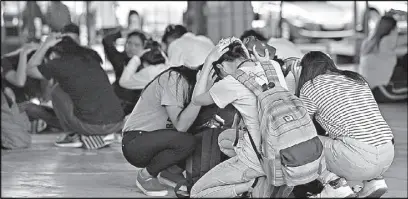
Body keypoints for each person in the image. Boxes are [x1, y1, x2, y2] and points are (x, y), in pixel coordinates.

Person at [297, 51, 394, 198]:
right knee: (353, 130)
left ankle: (334, 185)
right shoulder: (356, 79)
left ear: (305, 70)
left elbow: (302, 126)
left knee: (302, 142)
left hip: (359, 157)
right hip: (387, 152)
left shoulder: (310, 86)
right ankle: (374, 182)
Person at [190, 38, 268, 198]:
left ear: (221, 66)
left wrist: (208, 62)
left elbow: (196, 99)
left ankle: (251, 184)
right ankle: (257, 178)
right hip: (282, 148)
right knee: (225, 139)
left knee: (196, 193)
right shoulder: (270, 67)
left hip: (258, 158)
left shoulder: (230, 83)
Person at [27, 33, 124, 149]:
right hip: (117, 122)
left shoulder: (60, 63)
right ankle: (99, 136)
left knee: (57, 91)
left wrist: (45, 45)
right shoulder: (90, 57)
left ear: (53, 53)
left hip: (93, 126)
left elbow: (30, 69)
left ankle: (74, 136)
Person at [121, 61, 204, 196]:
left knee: (202, 135)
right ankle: (146, 176)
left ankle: (170, 172)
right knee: (187, 140)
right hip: (136, 141)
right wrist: (200, 94)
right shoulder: (175, 79)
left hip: (160, 140)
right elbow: (181, 126)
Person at [1, 43, 61, 131]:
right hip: (10, 111)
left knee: (49, 111)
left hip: (24, 110)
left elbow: (45, 98)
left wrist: (49, 81)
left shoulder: (38, 70)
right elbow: (19, 81)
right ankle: (70, 128)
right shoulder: (5, 62)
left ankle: (65, 126)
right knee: (31, 108)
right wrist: (23, 53)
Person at [102, 29, 147, 115]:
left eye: (136, 45)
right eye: (129, 43)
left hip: (137, 107)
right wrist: (122, 33)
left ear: (144, 47)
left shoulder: (147, 63)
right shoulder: (120, 59)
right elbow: (107, 41)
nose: (131, 48)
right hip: (117, 103)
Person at [359, 14, 398, 89]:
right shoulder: (386, 41)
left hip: (367, 88)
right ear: (393, 30)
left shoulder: (369, 42)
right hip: (379, 89)